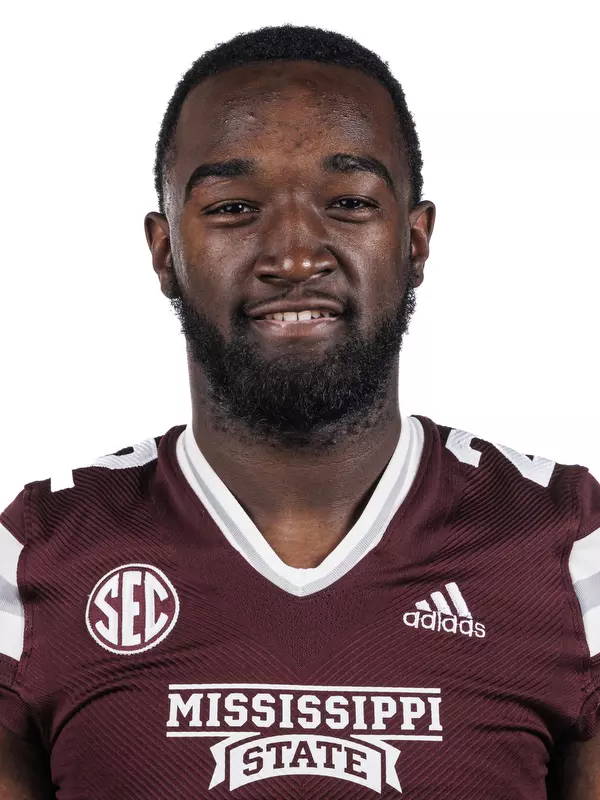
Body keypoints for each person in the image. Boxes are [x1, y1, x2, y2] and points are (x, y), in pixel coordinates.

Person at [0, 24, 598, 800]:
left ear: (414, 241)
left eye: (348, 202)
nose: (292, 256)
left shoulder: (570, 551)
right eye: (233, 207)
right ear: (163, 252)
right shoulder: (37, 556)